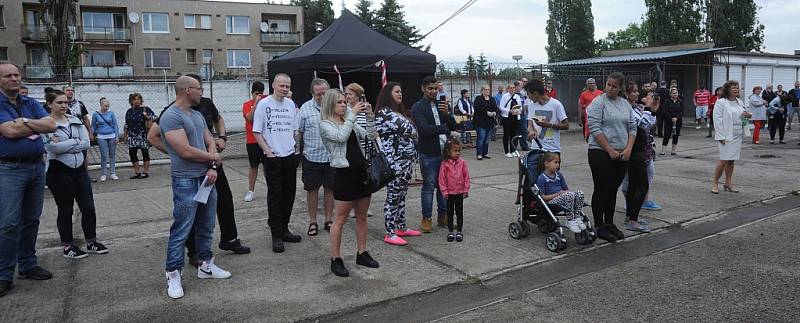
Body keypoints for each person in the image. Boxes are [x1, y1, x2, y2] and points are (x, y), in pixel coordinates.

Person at [155, 76, 231, 299]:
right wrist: (213, 157)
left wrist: (212, 162)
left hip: (206, 177)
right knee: (182, 228)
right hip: (186, 180)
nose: (202, 92)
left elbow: (209, 138)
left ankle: (206, 265)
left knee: (206, 225)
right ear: (188, 90)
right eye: (199, 89)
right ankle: (173, 273)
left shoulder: (196, 115)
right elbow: (185, 151)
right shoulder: (171, 116)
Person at [0, 61, 57, 297]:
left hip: (36, 168)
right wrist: (34, 125)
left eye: (16, 74)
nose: (14, 78)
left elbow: (51, 124)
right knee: (9, 223)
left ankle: (27, 264)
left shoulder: (30, 102)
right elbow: (9, 132)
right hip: (9, 169)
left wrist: (23, 122)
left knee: (31, 220)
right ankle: (4, 274)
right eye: (8, 76)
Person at [319, 89, 380, 277]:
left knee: (361, 216)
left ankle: (362, 252)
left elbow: (370, 136)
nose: (344, 105)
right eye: (340, 102)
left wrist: (369, 117)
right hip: (344, 174)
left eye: (345, 102)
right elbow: (340, 137)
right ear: (330, 103)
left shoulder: (349, 121)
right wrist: (353, 114)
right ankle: (335, 259)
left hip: (361, 173)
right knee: (340, 220)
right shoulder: (325, 124)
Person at [44, 90, 109, 259]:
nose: (64, 105)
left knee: (88, 207)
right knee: (65, 210)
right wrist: (75, 142)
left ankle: (91, 242)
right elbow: (52, 148)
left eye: (66, 102)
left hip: (79, 170)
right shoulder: (45, 124)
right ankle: (68, 246)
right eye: (59, 102)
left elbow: (86, 142)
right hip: (59, 171)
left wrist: (67, 143)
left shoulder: (74, 120)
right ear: (50, 104)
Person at [253, 73, 302, 253]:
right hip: (273, 157)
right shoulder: (264, 104)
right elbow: (257, 132)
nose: (284, 89)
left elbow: (295, 130)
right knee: (275, 195)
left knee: (289, 194)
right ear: (273, 85)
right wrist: (268, 152)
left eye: (287, 86)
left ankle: (285, 228)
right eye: (281, 85)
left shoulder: (290, 105)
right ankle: (276, 234)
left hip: (290, 155)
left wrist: (296, 149)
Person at [587, 72, 636, 243]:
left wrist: (629, 148)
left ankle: (609, 222)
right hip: (600, 152)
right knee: (602, 188)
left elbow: (632, 127)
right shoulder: (598, 102)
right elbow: (594, 128)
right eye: (608, 84)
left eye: (614, 86)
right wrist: (609, 150)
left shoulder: (625, 104)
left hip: (622, 153)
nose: (610, 88)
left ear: (620, 88)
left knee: (613, 190)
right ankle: (599, 225)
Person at [375, 82, 421, 246]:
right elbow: (410, 129)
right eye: (396, 92)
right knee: (393, 197)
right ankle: (390, 232)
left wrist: (412, 129)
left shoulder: (397, 112)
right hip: (395, 163)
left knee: (401, 196)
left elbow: (412, 128)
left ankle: (401, 227)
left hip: (406, 161)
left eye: (401, 91)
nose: (400, 94)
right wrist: (412, 128)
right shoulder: (384, 113)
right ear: (388, 94)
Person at [411, 76, 457, 232]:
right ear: (423, 88)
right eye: (430, 88)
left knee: (444, 187)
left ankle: (443, 217)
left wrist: (447, 115)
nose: (433, 91)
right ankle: (426, 219)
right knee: (429, 186)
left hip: (445, 153)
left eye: (435, 88)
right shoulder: (418, 107)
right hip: (428, 153)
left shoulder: (441, 105)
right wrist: (443, 128)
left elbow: (453, 126)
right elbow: (424, 129)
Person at [620, 81, 658, 232]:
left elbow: (649, 123)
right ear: (626, 94)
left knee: (634, 186)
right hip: (634, 152)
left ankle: (630, 217)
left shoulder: (634, 108)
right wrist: (648, 107)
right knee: (642, 186)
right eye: (634, 91)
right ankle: (632, 219)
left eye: (637, 91)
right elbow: (642, 124)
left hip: (639, 150)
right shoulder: (627, 109)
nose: (637, 94)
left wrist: (651, 110)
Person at [298, 78, 335, 235]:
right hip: (311, 157)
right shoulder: (305, 109)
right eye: (319, 93)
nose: (322, 96)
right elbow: (297, 132)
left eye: (325, 92)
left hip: (331, 157)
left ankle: (328, 220)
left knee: (330, 189)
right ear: (312, 93)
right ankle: (313, 221)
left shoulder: (335, 106)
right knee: (312, 190)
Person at [344, 83, 377, 218]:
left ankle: (363, 207)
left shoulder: (365, 109)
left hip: (365, 149)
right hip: (351, 149)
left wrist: (370, 114)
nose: (347, 97)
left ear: (358, 96)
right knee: (351, 181)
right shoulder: (345, 110)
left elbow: (372, 131)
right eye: (346, 94)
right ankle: (351, 208)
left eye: (350, 94)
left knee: (365, 179)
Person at [712, 80, 751, 194]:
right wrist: (720, 136)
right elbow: (717, 120)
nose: (736, 90)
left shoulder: (739, 101)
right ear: (727, 89)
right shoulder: (721, 102)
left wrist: (747, 115)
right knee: (723, 160)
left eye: (737, 88)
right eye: (733, 87)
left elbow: (743, 115)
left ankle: (728, 183)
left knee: (731, 160)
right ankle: (715, 182)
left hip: (737, 133)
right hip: (726, 134)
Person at [536, 152, 587, 233]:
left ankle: (577, 217)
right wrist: (559, 193)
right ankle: (570, 220)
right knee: (568, 195)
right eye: (555, 162)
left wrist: (567, 194)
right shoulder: (542, 178)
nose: (558, 165)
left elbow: (566, 189)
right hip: (550, 202)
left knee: (579, 193)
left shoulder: (559, 175)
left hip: (563, 197)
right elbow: (543, 197)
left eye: (559, 162)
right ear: (546, 163)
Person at [524, 79, 568, 162]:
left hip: (552, 149)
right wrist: (531, 131)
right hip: (536, 148)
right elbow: (530, 124)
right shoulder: (531, 105)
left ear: (535, 94)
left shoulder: (556, 105)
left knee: (551, 175)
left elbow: (566, 125)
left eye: (528, 94)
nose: (528, 97)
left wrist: (549, 125)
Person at [438, 137, 470, 242]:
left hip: (460, 192)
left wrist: (466, 190)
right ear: (448, 151)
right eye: (455, 151)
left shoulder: (462, 162)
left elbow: (466, 176)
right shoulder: (445, 164)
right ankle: (451, 231)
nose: (457, 153)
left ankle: (459, 231)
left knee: (459, 212)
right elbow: (441, 179)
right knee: (450, 212)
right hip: (449, 193)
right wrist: (444, 191)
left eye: (459, 151)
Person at [121, 93, 154, 179]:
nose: (136, 101)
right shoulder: (129, 111)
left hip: (143, 135)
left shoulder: (146, 109)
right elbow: (126, 125)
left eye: (138, 99)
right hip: (132, 136)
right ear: (131, 101)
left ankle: (146, 172)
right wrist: (125, 136)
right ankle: (137, 172)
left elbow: (154, 118)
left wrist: (146, 116)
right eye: (134, 99)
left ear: (141, 100)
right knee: (132, 153)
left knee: (145, 153)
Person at [242, 81, 265, 202]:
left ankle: (272, 188)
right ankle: (251, 191)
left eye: (260, 93)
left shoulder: (266, 103)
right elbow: (249, 118)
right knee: (253, 165)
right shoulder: (247, 104)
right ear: (252, 93)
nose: (258, 96)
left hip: (265, 140)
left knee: (269, 165)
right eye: (256, 93)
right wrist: (256, 104)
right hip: (252, 140)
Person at [91, 98, 119, 181]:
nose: (107, 107)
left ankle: (113, 173)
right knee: (103, 155)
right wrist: (92, 134)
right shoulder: (96, 114)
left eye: (108, 106)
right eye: (105, 106)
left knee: (112, 154)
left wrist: (117, 136)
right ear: (101, 105)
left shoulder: (111, 113)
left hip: (112, 135)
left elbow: (115, 125)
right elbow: (93, 126)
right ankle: (103, 174)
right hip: (101, 137)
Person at [472, 85, 499, 160]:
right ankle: (479, 154)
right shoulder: (478, 99)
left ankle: (485, 153)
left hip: (489, 122)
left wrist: (494, 112)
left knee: (487, 139)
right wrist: (487, 112)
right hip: (480, 122)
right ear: (482, 91)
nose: (487, 91)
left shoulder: (492, 99)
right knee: (481, 138)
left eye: (488, 89)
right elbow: (477, 108)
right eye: (485, 89)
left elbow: (496, 108)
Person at [499, 84, 523, 157]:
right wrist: (509, 111)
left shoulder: (517, 96)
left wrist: (519, 110)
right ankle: (506, 151)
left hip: (515, 117)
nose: (512, 89)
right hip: (507, 118)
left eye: (513, 88)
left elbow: (520, 106)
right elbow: (501, 107)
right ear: (508, 89)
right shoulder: (504, 96)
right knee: (506, 135)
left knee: (514, 134)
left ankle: (513, 150)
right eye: (510, 88)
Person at [661, 88, 683, 155]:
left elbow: (682, 111)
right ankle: (663, 151)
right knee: (667, 135)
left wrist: (676, 118)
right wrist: (671, 118)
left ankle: (673, 150)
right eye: (673, 93)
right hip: (669, 121)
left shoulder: (680, 101)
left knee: (675, 135)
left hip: (677, 121)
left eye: (676, 93)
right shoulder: (667, 101)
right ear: (670, 94)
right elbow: (665, 111)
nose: (675, 94)